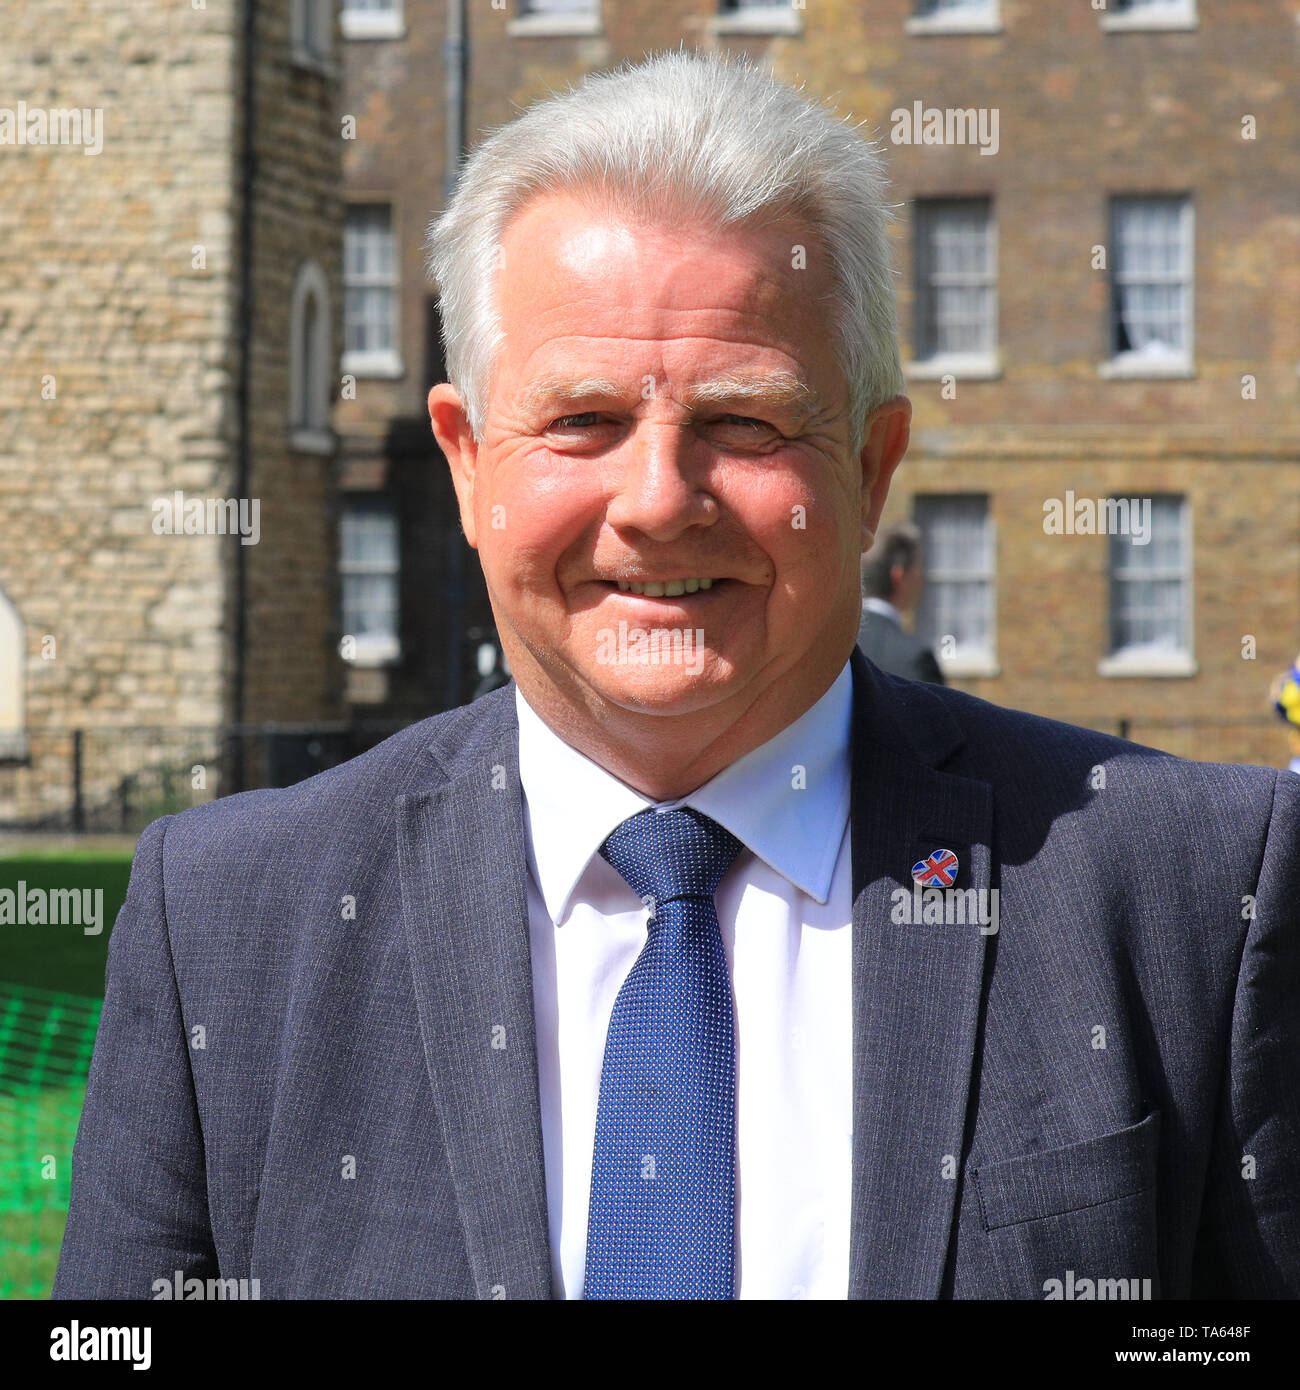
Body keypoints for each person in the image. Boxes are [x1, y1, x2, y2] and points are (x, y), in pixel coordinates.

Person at [56, 51, 1297, 1301]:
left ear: (870, 471)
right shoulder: (223, 920)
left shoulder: (1192, 887)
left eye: (744, 422)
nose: (656, 501)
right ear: (468, 462)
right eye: (582, 421)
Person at [857, 522, 945, 684]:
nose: (921, 578)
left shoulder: (837, 651)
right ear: (899, 576)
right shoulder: (916, 657)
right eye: (917, 569)